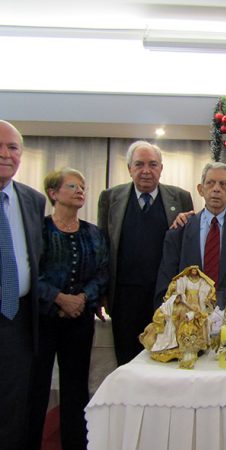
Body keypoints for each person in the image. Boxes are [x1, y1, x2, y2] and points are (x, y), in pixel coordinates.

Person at [28, 168, 108, 450]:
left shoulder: (93, 233)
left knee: (76, 389)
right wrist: (59, 298)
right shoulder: (39, 230)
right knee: (36, 386)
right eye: (72, 186)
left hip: (80, 320)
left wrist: (82, 299)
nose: (80, 191)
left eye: (82, 186)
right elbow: (31, 272)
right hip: (44, 319)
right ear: (53, 193)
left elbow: (102, 273)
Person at [97, 140, 193, 365]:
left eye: (153, 164)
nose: (146, 171)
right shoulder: (110, 197)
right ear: (129, 168)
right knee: (126, 359)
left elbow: (188, 246)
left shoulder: (180, 197)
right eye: (139, 164)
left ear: (161, 168)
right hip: (124, 297)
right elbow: (103, 246)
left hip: (165, 297)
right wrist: (102, 293)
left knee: (165, 359)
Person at [155, 162, 226, 335]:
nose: (216, 189)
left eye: (223, 184)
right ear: (200, 189)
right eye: (210, 183)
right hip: (188, 323)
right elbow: (167, 279)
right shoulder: (180, 230)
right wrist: (164, 316)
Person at [0, 120, 45, 450]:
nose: (5, 154)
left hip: (17, 320)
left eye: (13, 147)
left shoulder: (33, 200)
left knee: (13, 407)